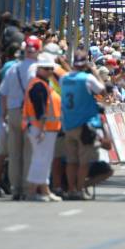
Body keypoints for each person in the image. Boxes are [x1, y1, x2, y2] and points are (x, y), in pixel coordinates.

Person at [0, 35, 41, 200]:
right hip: (30, 113)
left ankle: (16, 188)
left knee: (14, 153)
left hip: (13, 112)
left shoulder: (13, 69)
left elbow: (3, 93)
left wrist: (3, 115)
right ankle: (27, 188)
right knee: (29, 151)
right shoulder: (37, 69)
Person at [60, 49, 106, 201]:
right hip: (84, 125)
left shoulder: (64, 78)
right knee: (84, 162)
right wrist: (95, 72)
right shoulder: (87, 78)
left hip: (68, 124)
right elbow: (102, 90)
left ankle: (71, 189)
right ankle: (79, 190)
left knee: (71, 161)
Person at [22, 53, 63, 202]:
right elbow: (41, 111)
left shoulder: (40, 83)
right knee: (40, 160)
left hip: (43, 128)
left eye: (51, 69)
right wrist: (43, 129)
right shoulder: (39, 85)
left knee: (43, 160)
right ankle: (32, 192)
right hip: (41, 129)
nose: (50, 72)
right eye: (47, 69)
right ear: (40, 69)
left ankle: (44, 190)